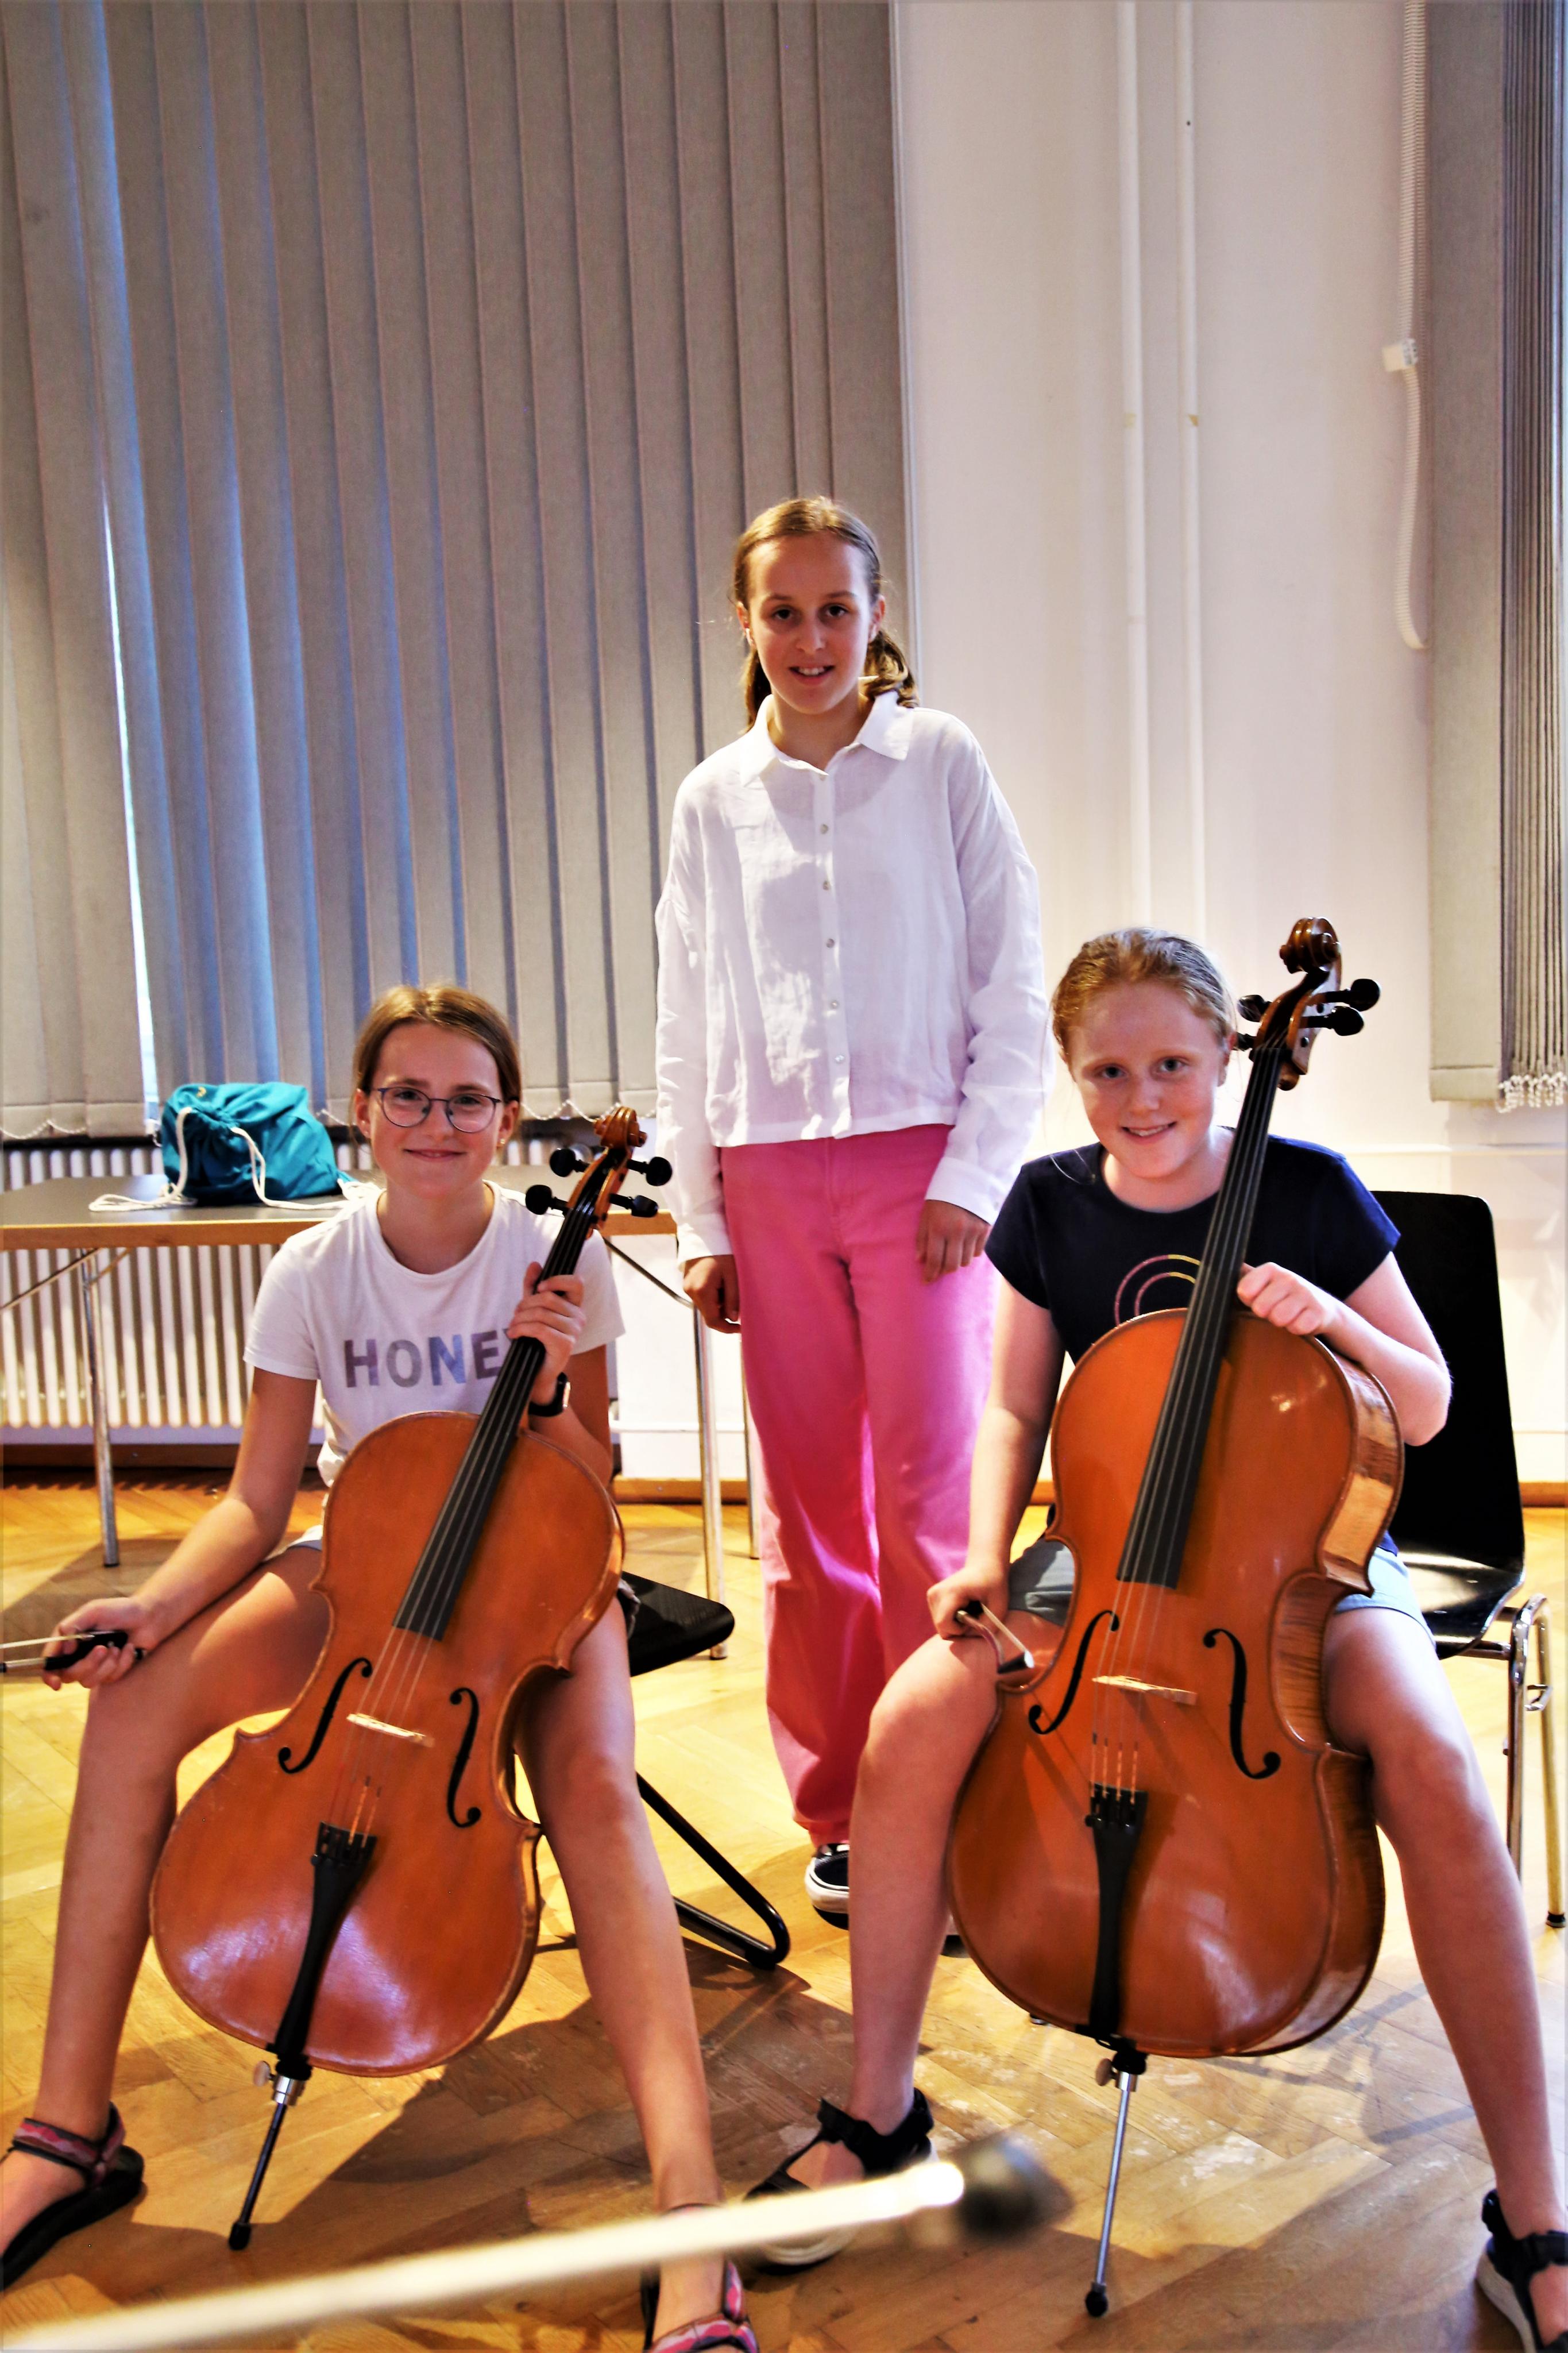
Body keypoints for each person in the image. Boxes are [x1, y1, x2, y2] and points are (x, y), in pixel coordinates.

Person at [752, 928, 1568, 2353]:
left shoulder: (1308, 1191)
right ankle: (879, 2113)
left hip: (1308, 1560)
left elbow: (1430, 1402)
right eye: (1109, 1071)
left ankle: (1538, 2215)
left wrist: (1332, 1319)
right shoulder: (1050, 1204)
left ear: (1228, 1053)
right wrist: (985, 1555)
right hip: (1104, 1553)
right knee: (914, 1714)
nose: (1144, 1098)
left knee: (1434, 1757)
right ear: (1072, 1073)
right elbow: (1016, 1405)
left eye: (1175, 1064)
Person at [0, 983, 755, 2353]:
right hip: (367, 1568)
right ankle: (67, 2129)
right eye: (408, 1094)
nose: (436, 1122)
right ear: (362, 1111)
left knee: (594, 1790)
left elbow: (592, 1478)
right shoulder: (315, 1266)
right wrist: (148, 1612)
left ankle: (690, 2206)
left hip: (537, 1576)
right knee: (130, 1706)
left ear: (507, 1122)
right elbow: (255, 1498)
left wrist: (548, 1382)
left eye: (468, 1099)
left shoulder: (554, 1254)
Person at [655, 496, 1049, 1916]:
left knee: (933, 1502)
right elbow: (688, 1018)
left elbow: (1012, 980)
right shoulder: (713, 798)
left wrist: (972, 1177)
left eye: (836, 608)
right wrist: (702, 1221)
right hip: (767, 1177)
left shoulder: (942, 761)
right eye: (784, 611)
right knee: (806, 1514)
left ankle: (948, 1789)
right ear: (745, 623)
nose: (811, 637)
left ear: (878, 615)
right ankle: (839, 1803)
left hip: (922, 1172)